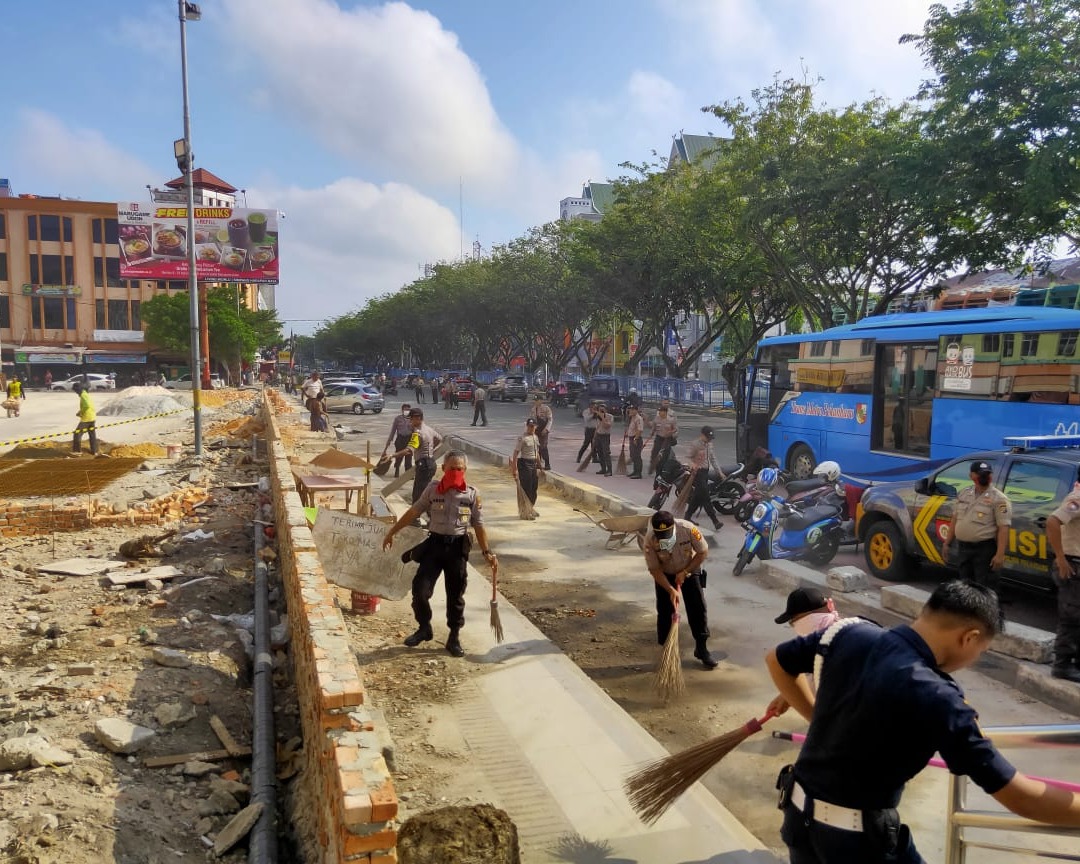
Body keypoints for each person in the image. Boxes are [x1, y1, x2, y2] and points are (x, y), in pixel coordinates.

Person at [767, 580, 1080, 863]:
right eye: (980, 651)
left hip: (798, 817)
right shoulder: (940, 698)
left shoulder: (849, 632)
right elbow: (1021, 797)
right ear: (969, 638)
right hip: (856, 842)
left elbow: (777, 660)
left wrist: (816, 717)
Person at [382, 451, 497, 657]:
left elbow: (478, 525)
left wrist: (487, 552)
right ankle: (424, 627)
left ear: (465, 470)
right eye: (451, 468)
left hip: (457, 548)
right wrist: (392, 531)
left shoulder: (471, 494)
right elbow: (414, 511)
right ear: (443, 468)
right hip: (434, 546)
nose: (455, 472)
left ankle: (453, 636)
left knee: (455, 595)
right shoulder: (433, 489)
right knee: (420, 590)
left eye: (459, 468)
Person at [643, 510, 718, 668]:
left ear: (673, 526)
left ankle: (701, 648)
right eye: (661, 535)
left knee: (697, 607)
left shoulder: (688, 529)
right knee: (665, 611)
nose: (664, 538)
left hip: (689, 569)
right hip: (665, 575)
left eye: (667, 533)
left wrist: (685, 572)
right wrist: (670, 589)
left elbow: (702, 551)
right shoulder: (650, 539)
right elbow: (654, 569)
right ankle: (667, 651)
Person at [941, 460, 1012, 594]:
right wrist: (947, 542)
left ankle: (991, 615)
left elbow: (1003, 528)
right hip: (964, 548)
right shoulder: (964, 494)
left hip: (984, 550)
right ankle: (969, 614)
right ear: (971, 476)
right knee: (965, 587)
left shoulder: (999, 499)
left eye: (987, 474)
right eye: (981, 474)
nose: (985, 477)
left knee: (985, 590)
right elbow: (955, 518)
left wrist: (1000, 554)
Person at [1045, 476, 1080, 683]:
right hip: (1073, 564)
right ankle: (1062, 665)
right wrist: (1060, 558)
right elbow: (1052, 521)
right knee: (1072, 617)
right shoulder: (1077, 497)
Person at [391, 407, 443, 503]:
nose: (410, 422)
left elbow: (409, 451)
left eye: (411, 419)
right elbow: (439, 439)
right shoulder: (429, 429)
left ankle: (418, 516)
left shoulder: (417, 433)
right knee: (425, 492)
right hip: (430, 463)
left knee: (418, 495)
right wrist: (430, 449)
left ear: (417, 418)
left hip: (423, 465)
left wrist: (392, 456)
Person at [684, 426, 723, 531]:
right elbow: (687, 457)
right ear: (702, 435)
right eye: (708, 437)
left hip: (705, 473)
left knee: (697, 497)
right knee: (706, 497)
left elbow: (713, 458)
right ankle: (715, 521)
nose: (709, 439)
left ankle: (687, 517)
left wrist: (719, 472)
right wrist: (692, 464)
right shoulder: (695, 444)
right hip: (698, 473)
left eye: (711, 437)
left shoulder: (709, 445)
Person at [511, 418, 541, 518]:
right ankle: (524, 512)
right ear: (527, 426)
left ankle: (530, 508)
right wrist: (514, 469)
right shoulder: (522, 438)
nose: (531, 428)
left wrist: (540, 467)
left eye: (533, 426)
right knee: (526, 489)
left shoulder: (536, 437)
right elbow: (515, 454)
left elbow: (537, 453)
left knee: (534, 489)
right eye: (529, 426)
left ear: (536, 427)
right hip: (525, 464)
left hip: (533, 465)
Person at [382, 403, 414, 478]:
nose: (406, 411)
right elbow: (393, 431)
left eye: (408, 410)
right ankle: (397, 470)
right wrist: (389, 441)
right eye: (405, 409)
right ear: (402, 410)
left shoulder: (412, 419)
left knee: (408, 457)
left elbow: (415, 430)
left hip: (409, 439)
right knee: (399, 456)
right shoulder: (398, 419)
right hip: (400, 439)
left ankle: (408, 474)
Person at [648, 402, 678, 474]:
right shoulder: (657, 419)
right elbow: (653, 428)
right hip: (659, 437)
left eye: (661, 412)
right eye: (659, 411)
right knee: (654, 452)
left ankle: (662, 468)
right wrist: (651, 434)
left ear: (665, 412)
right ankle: (653, 465)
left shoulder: (671, 420)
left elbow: (675, 429)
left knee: (664, 454)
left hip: (667, 438)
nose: (660, 413)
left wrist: (670, 432)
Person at [71, 382, 98, 455]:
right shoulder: (86, 394)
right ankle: (94, 451)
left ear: (78, 390)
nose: (76, 393)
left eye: (75, 391)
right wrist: (80, 411)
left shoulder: (83, 395)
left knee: (77, 434)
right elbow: (87, 405)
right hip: (92, 417)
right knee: (92, 434)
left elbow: (86, 405)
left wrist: (81, 413)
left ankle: (77, 451)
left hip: (87, 418)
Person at [529, 394, 553, 469]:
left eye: (537, 400)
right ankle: (538, 464)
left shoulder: (546, 408)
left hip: (544, 430)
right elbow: (531, 420)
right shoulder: (533, 409)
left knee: (543, 447)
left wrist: (546, 429)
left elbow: (550, 419)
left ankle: (547, 464)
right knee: (536, 447)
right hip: (536, 430)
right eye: (535, 401)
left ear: (541, 400)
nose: (536, 402)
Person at [593, 403, 613, 476]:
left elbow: (607, 426)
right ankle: (603, 469)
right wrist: (594, 437)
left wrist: (603, 417)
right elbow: (597, 427)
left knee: (606, 453)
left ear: (606, 410)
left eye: (603, 410)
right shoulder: (597, 416)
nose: (601, 411)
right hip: (599, 435)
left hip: (605, 436)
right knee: (600, 453)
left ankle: (609, 470)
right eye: (600, 410)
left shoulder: (610, 416)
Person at [626, 403, 645, 478]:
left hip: (636, 439)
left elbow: (640, 430)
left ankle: (638, 473)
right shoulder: (632, 418)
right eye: (630, 409)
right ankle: (635, 471)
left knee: (637, 456)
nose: (631, 411)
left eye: (633, 409)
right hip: (631, 438)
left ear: (636, 410)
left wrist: (636, 438)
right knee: (633, 456)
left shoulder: (638, 418)